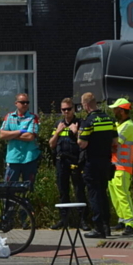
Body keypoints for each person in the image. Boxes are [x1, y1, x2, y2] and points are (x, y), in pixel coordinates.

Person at [77, 92, 117, 239]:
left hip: (91, 162)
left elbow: (82, 143)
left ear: (86, 105)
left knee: (94, 194)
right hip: (105, 161)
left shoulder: (88, 121)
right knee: (103, 193)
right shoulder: (109, 119)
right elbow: (115, 142)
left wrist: (78, 134)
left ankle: (98, 227)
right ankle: (106, 227)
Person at [48, 97, 89, 231]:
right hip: (61, 161)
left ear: (73, 109)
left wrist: (76, 132)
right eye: (63, 109)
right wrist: (58, 132)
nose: (66, 112)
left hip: (75, 161)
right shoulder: (58, 124)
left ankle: (83, 220)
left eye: (68, 109)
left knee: (79, 191)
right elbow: (51, 144)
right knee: (63, 191)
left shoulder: (80, 123)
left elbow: (84, 143)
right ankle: (64, 220)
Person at [108, 98, 133, 236]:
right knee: (115, 195)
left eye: (115, 109)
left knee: (123, 194)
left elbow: (115, 142)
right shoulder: (119, 124)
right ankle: (122, 219)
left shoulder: (128, 126)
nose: (113, 111)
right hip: (115, 165)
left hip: (123, 166)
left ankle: (130, 223)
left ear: (122, 110)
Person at [0, 93, 40, 185]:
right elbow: (2, 135)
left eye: (27, 102)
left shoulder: (33, 117)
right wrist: (20, 131)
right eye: (22, 102)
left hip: (29, 158)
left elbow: (30, 137)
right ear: (16, 103)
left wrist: (11, 135)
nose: (25, 104)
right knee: (8, 188)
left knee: (28, 189)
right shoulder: (9, 117)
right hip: (13, 158)